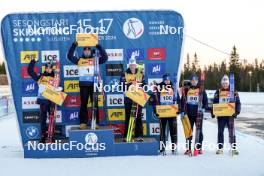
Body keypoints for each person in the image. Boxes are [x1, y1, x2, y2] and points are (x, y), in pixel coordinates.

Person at [67, 41, 108, 130]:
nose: (87, 52)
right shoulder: (79, 60)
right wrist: (73, 46)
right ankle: (83, 122)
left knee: (95, 104)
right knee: (83, 104)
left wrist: (99, 47)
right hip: (83, 85)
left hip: (94, 84)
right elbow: (69, 57)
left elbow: (105, 58)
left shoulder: (95, 60)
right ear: (83, 52)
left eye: (88, 50)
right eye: (85, 50)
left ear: (90, 51)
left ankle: (95, 122)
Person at [212, 74, 241, 155]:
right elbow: (214, 103)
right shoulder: (218, 92)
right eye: (223, 83)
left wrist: (236, 112)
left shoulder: (234, 92)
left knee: (231, 132)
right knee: (220, 132)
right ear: (222, 83)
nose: (225, 85)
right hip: (221, 116)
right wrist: (213, 112)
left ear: (229, 84)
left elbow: (238, 103)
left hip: (230, 115)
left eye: (226, 83)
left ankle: (233, 148)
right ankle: (220, 148)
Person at [27, 59, 55, 143]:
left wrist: (60, 89)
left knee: (52, 119)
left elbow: (59, 88)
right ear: (45, 68)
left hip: (52, 101)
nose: (48, 69)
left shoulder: (55, 77)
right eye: (47, 68)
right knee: (43, 119)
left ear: (52, 69)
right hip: (43, 100)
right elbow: (30, 71)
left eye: (50, 68)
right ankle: (43, 135)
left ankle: (51, 135)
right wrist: (33, 61)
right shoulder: (40, 76)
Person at [151, 73, 180, 155]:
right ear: (163, 80)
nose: (167, 81)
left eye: (168, 80)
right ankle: (162, 148)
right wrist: (156, 110)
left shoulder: (173, 87)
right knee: (162, 131)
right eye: (165, 80)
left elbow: (178, 99)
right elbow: (155, 101)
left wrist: (178, 109)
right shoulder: (159, 87)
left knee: (173, 131)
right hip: (163, 112)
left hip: (172, 112)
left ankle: (174, 148)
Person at [181, 74, 208, 156]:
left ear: (197, 81)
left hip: (198, 114)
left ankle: (199, 148)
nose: (194, 82)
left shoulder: (201, 89)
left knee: (199, 132)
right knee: (189, 131)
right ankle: (188, 149)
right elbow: (183, 101)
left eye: (195, 80)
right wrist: (182, 110)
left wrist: (204, 108)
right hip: (189, 114)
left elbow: (205, 101)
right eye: (192, 81)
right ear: (190, 81)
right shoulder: (186, 90)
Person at [120, 58, 145, 142]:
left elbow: (144, 85)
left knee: (138, 117)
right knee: (128, 117)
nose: (132, 66)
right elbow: (122, 85)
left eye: (133, 65)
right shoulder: (125, 74)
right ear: (129, 65)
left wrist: (141, 82)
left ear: (136, 65)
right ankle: (127, 135)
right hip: (128, 98)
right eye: (131, 65)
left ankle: (139, 135)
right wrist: (132, 83)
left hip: (138, 98)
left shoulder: (140, 73)